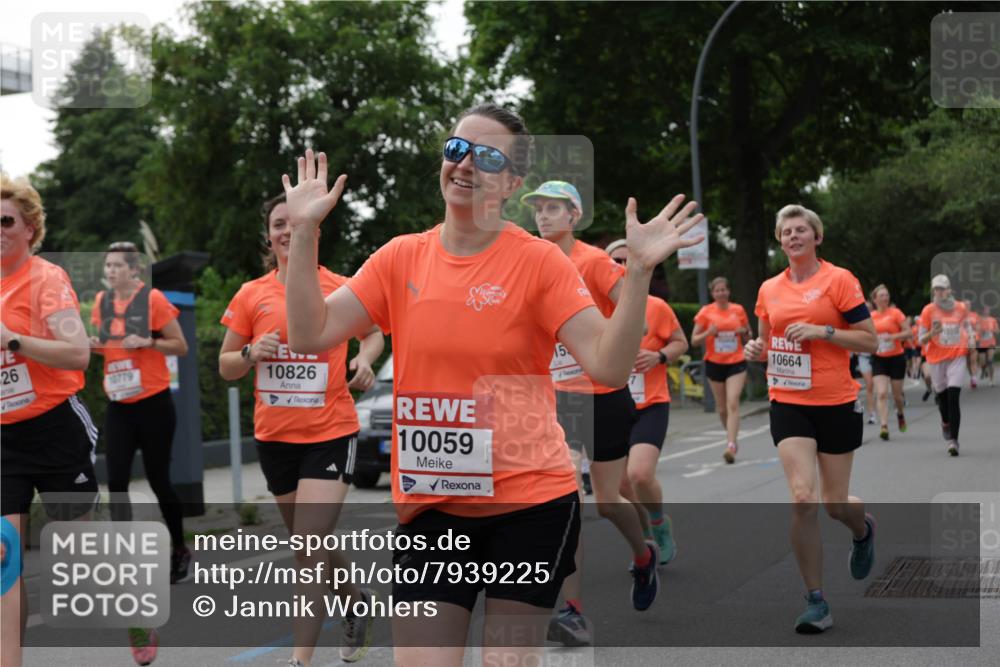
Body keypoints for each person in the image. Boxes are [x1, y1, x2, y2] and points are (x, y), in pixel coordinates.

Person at [281, 103, 703, 666]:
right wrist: (306, 230)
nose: (464, 165)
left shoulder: (539, 263)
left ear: (511, 181)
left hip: (528, 505)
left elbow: (605, 365)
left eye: (486, 156)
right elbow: (310, 333)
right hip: (433, 512)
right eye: (457, 149)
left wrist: (641, 274)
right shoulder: (400, 257)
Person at [219, 193, 384, 666]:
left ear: (314, 229)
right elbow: (226, 366)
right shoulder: (251, 294)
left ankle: (300, 659)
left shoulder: (339, 287)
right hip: (275, 440)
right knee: (310, 543)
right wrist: (252, 353)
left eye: (295, 222)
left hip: (331, 432)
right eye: (277, 224)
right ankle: (355, 600)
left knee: (309, 548)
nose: (287, 230)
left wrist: (364, 358)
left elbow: (374, 331)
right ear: (268, 236)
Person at [524, 180, 661, 646]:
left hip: (602, 394)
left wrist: (593, 335)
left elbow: (634, 315)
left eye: (553, 208)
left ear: (574, 215)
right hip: (553, 399)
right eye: (538, 208)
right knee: (566, 502)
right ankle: (573, 610)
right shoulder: (527, 261)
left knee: (607, 500)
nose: (543, 216)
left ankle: (643, 556)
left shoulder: (593, 261)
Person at [744, 204, 878, 634]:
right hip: (788, 401)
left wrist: (825, 332)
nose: (793, 236)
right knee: (803, 497)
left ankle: (863, 530)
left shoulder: (839, 280)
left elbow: (871, 341)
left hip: (837, 400)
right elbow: (764, 343)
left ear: (817, 237)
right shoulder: (769, 289)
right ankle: (816, 601)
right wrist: (754, 352)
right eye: (786, 231)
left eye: (801, 230)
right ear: (779, 240)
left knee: (834, 505)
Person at [2, 174, 97, 667]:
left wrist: (12, 340)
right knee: (4, 558)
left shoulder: (46, 280)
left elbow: (79, 353)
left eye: (6, 220)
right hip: (5, 439)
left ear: (29, 228)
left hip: (57, 426)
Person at [606, 239, 687, 560]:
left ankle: (658, 522)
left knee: (639, 475)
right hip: (612, 404)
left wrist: (659, 356)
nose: (622, 267)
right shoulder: (594, 306)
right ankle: (645, 541)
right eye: (615, 261)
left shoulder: (656, 307)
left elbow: (681, 343)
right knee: (622, 488)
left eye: (628, 260)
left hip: (650, 403)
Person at [691, 276, 752, 463]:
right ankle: (731, 438)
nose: (721, 293)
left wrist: (744, 332)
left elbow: (749, 333)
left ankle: (731, 445)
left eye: (723, 289)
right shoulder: (706, 312)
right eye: (717, 290)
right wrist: (709, 333)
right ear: (712, 293)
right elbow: (694, 340)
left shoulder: (738, 310)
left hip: (736, 361)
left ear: (728, 291)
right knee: (722, 407)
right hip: (715, 363)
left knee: (733, 402)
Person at [918, 275, 975, 457]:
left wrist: (972, 338)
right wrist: (932, 333)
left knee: (953, 396)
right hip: (936, 359)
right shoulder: (928, 311)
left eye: (942, 288)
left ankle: (954, 441)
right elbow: (921, 338)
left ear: (949, 290)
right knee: (942, 397)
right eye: (936, 289)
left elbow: (967, 327)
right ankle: (945, 421)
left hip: (956, 356)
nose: (939, 292)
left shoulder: (960, 308)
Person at [867, 285, 909, 440]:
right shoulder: (870, 317)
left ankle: (900, 413)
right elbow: (866, 334)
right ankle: (884, 426)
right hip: (879, 358)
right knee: (882, 393)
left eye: (887, 295)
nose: (885, 298)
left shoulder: (896, 313)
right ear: (875, 299)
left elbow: (908, 332)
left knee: (897, 396)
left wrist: (892, 337)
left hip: (896, 358)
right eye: (882, 295)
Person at [976, 306, 997, 386]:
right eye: (985, 310)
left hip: (991, 342)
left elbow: (997, 330)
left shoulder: (992, 320)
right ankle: (983, 369)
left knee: (990, 360)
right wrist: (982, 331)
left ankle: (991, 380)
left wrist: (993, 330)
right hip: (981, 344)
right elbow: (977, 332)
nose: (987, 312)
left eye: (988, 310)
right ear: (982, 311)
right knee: (982, 361)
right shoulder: (979, 320)